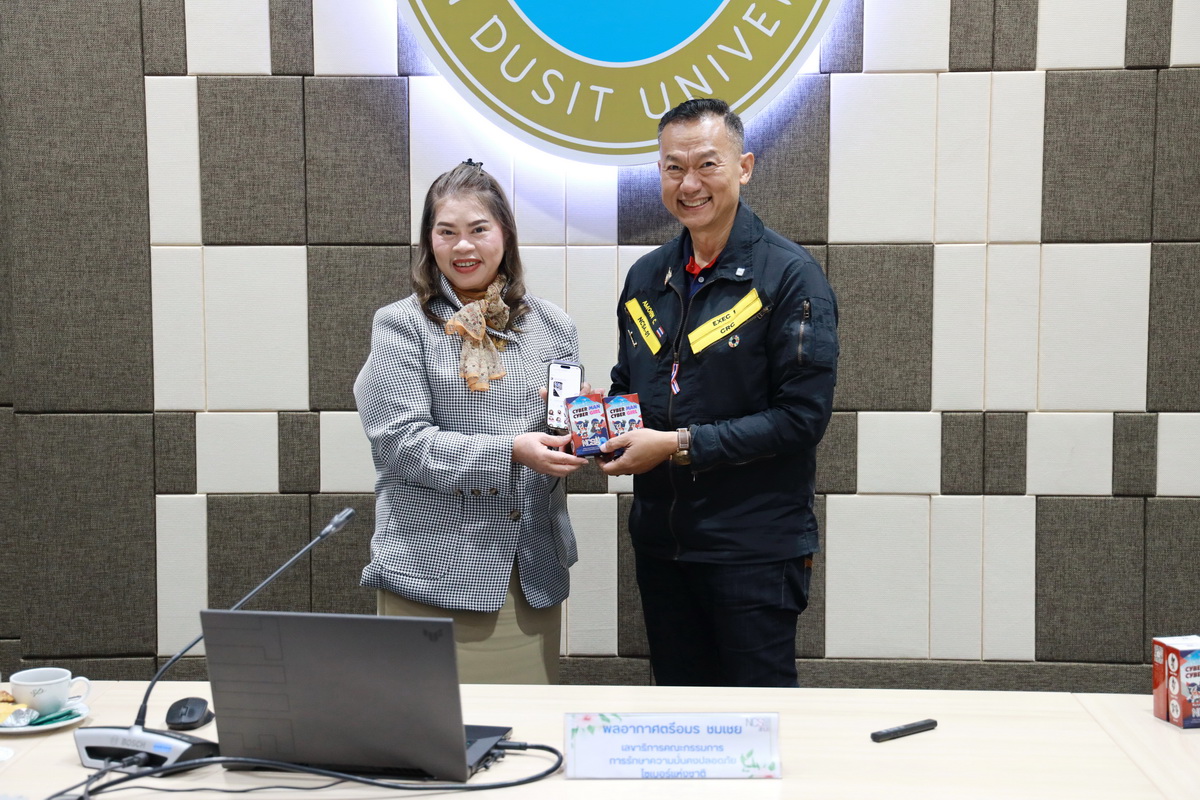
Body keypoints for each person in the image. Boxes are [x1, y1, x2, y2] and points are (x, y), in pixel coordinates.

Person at [599, 99, 839, 687]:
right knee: (680, 721)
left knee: (757, 724)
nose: (690, 184)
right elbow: (634, 386)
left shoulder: (790, 276)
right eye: (673, 167)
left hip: (753, 551)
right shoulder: (646, 277)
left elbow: (801, 419)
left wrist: (677, 444)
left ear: (744, 167)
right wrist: (600, 415)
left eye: (707, 164)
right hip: (662, 548)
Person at [355, 160, 588, 684]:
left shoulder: (554, 326)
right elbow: (400, 445)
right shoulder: (401, 325)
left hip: (530, 574)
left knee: (528, 726)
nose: (464, 246)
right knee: (425, 729)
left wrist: (586, 434)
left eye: (479, 229)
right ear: (428, 240)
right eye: (447, 232)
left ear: (505, 234)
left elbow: (560, 430)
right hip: (432, 574)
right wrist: (511, 451)